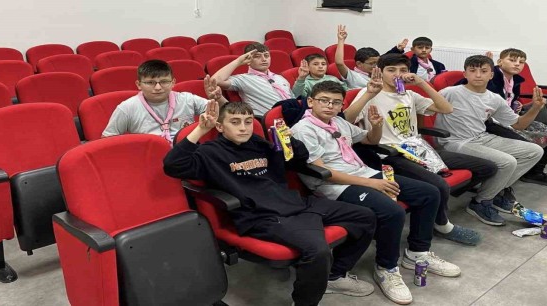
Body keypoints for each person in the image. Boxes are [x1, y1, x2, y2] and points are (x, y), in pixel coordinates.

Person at [164, 101, 377, 306]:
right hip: (261, 215)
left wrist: (289, 140)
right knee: (317, 251)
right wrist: (201, 130)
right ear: (220, 126)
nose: (243, 128)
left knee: (365, 217)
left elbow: (298, 159)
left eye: (248, 121)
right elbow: (173, 166)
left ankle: (334, 276)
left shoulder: (259, 143)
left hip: (294, 203)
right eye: (235, 122)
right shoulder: (209, 152)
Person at [292, 81, 461, 305]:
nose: (330, 106)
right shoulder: (303, 130)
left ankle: (417, 253)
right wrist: (371, 183)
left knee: (429, 193)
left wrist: (376, 126)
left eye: (336, 102)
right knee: (392, 212)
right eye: (324, 100)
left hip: (364, 173)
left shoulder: (338, 122)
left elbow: (370, 140)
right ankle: (386, 267)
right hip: (335, 186)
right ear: (311, 102)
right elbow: (325, 173)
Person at [345, 53, 497, 246]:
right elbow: (346, 120)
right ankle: (442, 224)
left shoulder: (408, 94)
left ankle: (440, 205)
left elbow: (446, 108)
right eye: (391, 70)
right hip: (390, 154)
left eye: (402, 70)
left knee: (488, 167)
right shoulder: (370, 94)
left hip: (419, 150)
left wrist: (421, 83)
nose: (397, 74)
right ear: (380, 72)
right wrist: (369, 94)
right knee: (439, 185)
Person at [434, 55, 546, 226]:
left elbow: (518, 124)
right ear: (465, 74)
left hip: (481, 137)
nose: (478, 75)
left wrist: (536, 108)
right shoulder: (450, 92)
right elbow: (424, 109)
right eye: (473, 71)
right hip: (456, 142)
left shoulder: (494, 98)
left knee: (535, 151)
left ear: (491, 75)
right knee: (507, 162)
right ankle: (480, 202)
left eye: (484, 71)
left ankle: (494, 192)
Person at [488, 48, 547, 187]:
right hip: (493, 123)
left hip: (511, 119)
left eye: (521, 62)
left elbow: (510, 99)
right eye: (512, 60)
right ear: (500, 62)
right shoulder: (491, 77)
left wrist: (516, 103)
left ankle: (535, 172)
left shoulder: (515, 80)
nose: (517, 64)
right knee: (527, 142)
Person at [102, 60, 225, 143]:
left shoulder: (187, 99)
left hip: (188, 154)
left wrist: (218, 99)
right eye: (150, 82)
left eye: (164, 82)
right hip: (148, 157)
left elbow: (226, 115)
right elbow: (108, 139)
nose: (158, 87)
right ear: (139, 84)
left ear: (173, 82)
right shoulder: (127, 108)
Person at [212, 42, 294, 116]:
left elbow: (293, 98)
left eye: (266, 55)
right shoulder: (244, 79)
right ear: (248, 60)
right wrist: (238, 61)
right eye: (257, 56)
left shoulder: (280, 78)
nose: (264, 59)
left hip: (294, 114)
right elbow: (215, 81)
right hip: (270, 120)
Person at [334, 25, 380, 89]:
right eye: (371, 63)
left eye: (377, 63)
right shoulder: (353, 76)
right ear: (359, 64)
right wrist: (341, 40)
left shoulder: (379, 74)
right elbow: (339, 63)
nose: (375, 66)